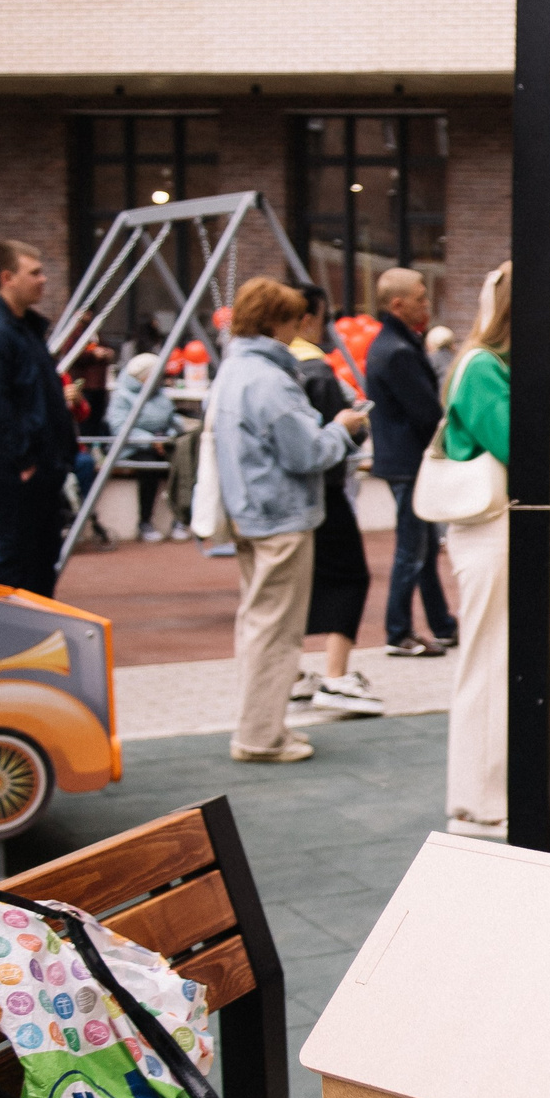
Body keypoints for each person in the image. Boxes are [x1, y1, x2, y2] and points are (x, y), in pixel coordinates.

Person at [208, 278, 365, 763]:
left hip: (249, 514)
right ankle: (260, 736)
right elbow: (306, 452)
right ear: (279, 321)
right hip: (282, 515)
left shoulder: (234, 370)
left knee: (257, 625)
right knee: (276, 632)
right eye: (296, 318)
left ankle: (261, 727)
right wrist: (342, 428)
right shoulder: (270, 379)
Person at [442, 263, 513, 839]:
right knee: (487, 659)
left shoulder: (480, 363)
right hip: (488, 524)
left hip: (490, 524)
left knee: (491, 657)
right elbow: (516, 441)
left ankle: (483, 793)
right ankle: (479, 798)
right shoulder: (483, 367)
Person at [288, 310, 384, 718]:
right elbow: (312, 449)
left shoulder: (252, 371)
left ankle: (291, 675)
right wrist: (347, 427)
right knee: (349, 576)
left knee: (286, 588)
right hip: (317, 492)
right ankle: (335, 675)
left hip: (275, 500)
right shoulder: (314, 371)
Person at [0, 241, 77, 596]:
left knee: (42, 557)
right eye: (34, 273)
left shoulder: (24, 329)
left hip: (39, 463)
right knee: (18, 558)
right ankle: (8, 643)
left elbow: (27, 392)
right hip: (20, 466)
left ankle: (34, 639)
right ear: (7, 278)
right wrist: (24, 460)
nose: (43, 280)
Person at [365, 266, 456, 657]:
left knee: (420, 545)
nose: (427, 305)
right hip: (409, 462)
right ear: (398, 304)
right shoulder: (400, 351)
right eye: (420, 298)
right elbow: (425, 413)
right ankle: (398, 630)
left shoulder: (390, 345)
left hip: (400, 460)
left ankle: (441, 623)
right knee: (412, 548)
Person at [104, 351, 199, 542]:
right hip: (133, 448)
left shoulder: (160, 395)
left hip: (163, 444)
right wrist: (150, 440)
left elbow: (171, 420)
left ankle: (181, 518)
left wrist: (171, 436)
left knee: (186, 461)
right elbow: (119, 427)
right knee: (148, 468)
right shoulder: (122, 396)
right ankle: (145, 521)